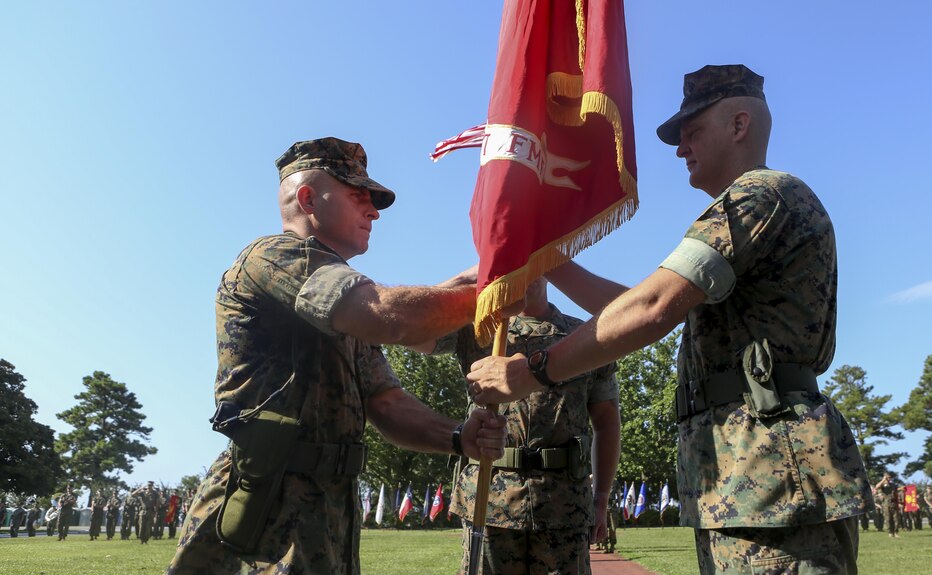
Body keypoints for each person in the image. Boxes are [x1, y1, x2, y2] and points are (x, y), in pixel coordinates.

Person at [467, 64, 872, 574]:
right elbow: (637, 302)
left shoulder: (759, 195)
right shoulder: (759, 203)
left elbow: (654, 306)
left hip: (773, 478)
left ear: (739, 125)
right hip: (753, 476)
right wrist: (546, 255)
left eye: (693, 131)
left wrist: (532, 371)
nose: (681, 149)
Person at [166, 137, 507, 575]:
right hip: (267, 509)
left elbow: (387, 404)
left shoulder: (346, 305)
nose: (374, 211)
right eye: (357, 195)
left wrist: (460, 437)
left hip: (328, 508)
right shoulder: (274, 257)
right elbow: (392, 317)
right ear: (307, 198)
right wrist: (487, 295)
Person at [414, 278, 621, 574]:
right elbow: (412, 332)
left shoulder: (585, 335)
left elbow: (607, 422)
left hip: (564, 506)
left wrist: (601, 498)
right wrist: (465, 284)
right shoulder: (477, 330)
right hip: (488, 501)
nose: (523, 270)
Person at [873, 473, 899, 538]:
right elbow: (876, 487)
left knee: (896, 519)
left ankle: (895, 532)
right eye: (887, 477)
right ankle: (890, 532)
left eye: (889, 477)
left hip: (894, 503)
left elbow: (896, 491)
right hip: (886, 504)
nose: (888, 479)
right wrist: (883, 480)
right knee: (888, 519)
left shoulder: (893, 485)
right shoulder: (882, 485)